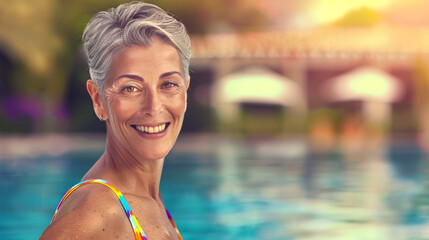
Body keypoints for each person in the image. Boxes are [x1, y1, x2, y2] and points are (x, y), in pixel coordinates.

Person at [40, 1, 190, 239]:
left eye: (169, 84)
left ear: (185, 89)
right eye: (130, 88)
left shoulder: (152, 199)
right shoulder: (97, 209)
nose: (154, 107)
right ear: (98, 100)